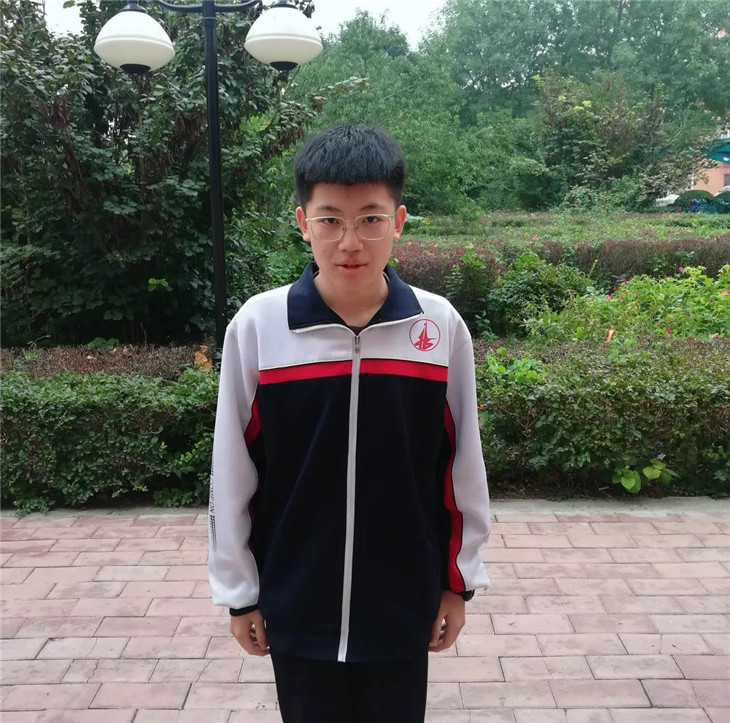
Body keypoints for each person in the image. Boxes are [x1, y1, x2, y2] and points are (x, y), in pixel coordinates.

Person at [208, 125, 491, 723]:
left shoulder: (437, 327)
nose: (351, 241)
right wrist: (240, 594)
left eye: (371, 219)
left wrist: (457, 583)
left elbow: (461, 466)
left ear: (399, 221)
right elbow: (232, 472)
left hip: (403, 603)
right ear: (302, 222)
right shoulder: (260, 327)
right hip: (296, 603)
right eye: (330, 220)